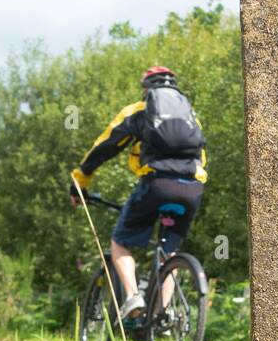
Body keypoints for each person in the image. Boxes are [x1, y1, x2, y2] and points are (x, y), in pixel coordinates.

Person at [70, 66, 207, 319]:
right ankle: (162, 315)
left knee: (120, 241)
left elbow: (107, 145)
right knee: (170, 252)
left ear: (146, 90)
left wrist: (81, 180)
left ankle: (133, 297)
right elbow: (202, 158)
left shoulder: (140, 111)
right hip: (192, 188)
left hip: (156, 184)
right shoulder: (191, 117)